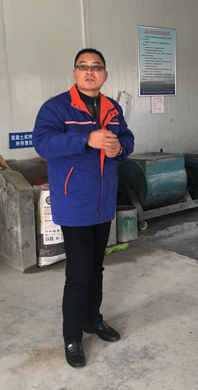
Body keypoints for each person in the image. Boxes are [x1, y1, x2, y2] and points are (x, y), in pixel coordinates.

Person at [33, 48, 134, 368]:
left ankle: (93, 319)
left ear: (105, 75)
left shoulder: (112, 107)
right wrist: (85, 140)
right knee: (78, 274)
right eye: (83, 66)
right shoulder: (56, 107)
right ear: (75, 73)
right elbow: (42, 143)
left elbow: (126, 137)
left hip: (103, 202)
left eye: (96, 67)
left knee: (96, 268)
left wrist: (120, 148)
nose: (90, 71)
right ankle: (72, 337)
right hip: (74, 201)